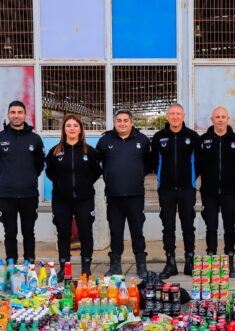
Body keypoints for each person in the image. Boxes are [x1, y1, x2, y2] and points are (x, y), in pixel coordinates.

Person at [96, 110, 152, 277]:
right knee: (115, 231)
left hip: (135, 195)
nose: (122, 123)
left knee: (137, 231)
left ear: (131, 122)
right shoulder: (105, 140)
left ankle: (141, 266)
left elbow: (148, 165)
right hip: (114, 195)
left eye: (125, 120)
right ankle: (115, 266)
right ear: (114, 123)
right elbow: (97, 163)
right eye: (119, 120)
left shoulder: (142, 140)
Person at [45, 115, 101, 276]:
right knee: (63, 233)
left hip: (84, 199)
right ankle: (64, 267)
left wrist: (84, 184)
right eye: (68, 125)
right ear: (64, 129)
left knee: (85, 232)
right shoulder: (55, 152)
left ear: (80, 129)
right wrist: (63, 184)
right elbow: (50, 172)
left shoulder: (90, 151)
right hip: (62, 200)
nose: (72, 128)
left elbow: (96, 172)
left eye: (75, 126)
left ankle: (86, 267)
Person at [0, 100, 44, 264]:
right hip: (6, 195)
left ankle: (29, 264)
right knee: (10, 232)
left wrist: (28, 178)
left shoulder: (35, 139)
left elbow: (39, 165)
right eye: (13, 112)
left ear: (25, 115)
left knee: (29, 231)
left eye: (20, 112)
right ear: (8, 115)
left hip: (29, 194)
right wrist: (7, 178)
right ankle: (11, 264)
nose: (16, 116)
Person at [151, 104, 200, 279]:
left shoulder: (192, 137)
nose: (175, 116)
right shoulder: (159, 137)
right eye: (172, 114)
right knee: (168, 227)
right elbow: (154, 163)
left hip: (187, 189)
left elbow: (198, 163)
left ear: (183, 115)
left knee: (188, 226)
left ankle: (189, 262)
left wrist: (191, 180)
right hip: (166, 190)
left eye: (178, 113)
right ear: (167, 116)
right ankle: (170, 263)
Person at [195, 107, 235, 277]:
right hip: (209, 192)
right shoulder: (204, 140)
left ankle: (229, 262)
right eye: (217, 117)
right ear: (212, 119)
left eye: (223, 117)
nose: (221, 120)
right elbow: (197, 166)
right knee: (211, 227)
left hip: (230, 192)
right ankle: (212, 261)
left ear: (228, 119)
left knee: (230, 227)